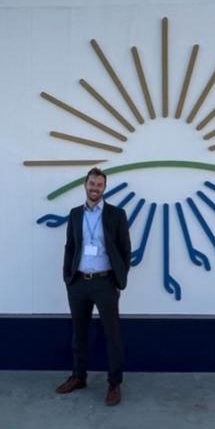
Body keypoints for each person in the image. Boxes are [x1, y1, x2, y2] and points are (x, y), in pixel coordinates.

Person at [56, 167, 131, 406]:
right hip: (78, 282)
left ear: (104, 188)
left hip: (104, 282)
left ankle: (114, 383)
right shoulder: (75, 214)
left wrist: (118, 280)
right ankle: (79, 376)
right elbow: (70, 246)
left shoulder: (116, 214)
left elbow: (125, 250)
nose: (95, 188)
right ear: (85, 185)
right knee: (79, 334)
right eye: (91, 183)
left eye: (99, 185)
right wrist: (68, 276)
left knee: (112, 335)